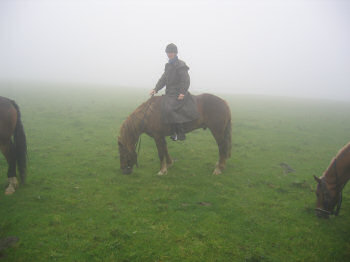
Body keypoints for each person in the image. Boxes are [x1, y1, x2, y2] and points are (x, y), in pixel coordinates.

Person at [150, 43, 199, 141]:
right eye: (168, 52)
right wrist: (155, 89)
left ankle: (179, 133)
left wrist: (182, 92)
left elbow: (185, 80)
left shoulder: (181, 65)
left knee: (169, 108)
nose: (170, 54)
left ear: (175, 53)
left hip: (178, 93)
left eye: (171, 52)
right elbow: (163, 79)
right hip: (169, 93)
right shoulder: (168, 65)